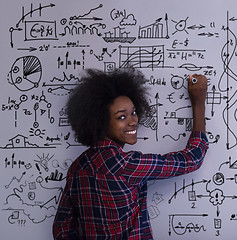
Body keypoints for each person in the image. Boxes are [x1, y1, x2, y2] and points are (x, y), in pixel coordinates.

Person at [52, 68, 208, 240]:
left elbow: (62, 227)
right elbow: (192, 159)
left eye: (133, 112)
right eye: (121, 117)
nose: (133, 121)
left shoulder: (77, 167)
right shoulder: (125, 165)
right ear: (100, 120)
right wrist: (199, 103)